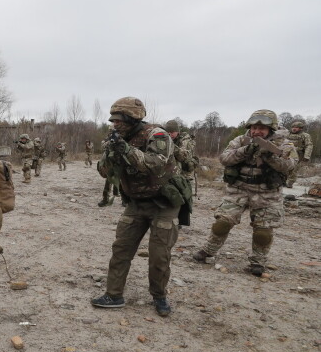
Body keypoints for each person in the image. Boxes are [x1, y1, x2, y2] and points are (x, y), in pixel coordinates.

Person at [90, 97, 179, 317]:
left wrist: (127, 151)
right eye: (113, 120)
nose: (115, 124)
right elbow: (103, 171)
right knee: (121, 248)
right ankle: (114, 294)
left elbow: (156, 165)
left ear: (133, 118)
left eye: (119, 119)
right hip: (136, 203)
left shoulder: (157, 135)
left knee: (159, 255)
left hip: (163, 203)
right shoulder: (116, 139)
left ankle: (159, 296)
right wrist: (112, 153)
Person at [193, 110, 297, 276]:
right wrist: (246, 150)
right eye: (255, 127)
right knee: (222, 223)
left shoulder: (284, 144)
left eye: (262, 128)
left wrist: (269, 155)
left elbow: (289, 166)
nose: (257, 131)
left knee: (263, 232)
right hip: (238, 189)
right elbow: (224, 158)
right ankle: (208, 251)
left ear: (271, 128)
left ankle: (258, 262)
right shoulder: (241, 140)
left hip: (267, 193)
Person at [286, 118, 313, 188]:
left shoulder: (305, 135)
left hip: (298, 154)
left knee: (294, 170)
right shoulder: (287, 134)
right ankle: (283, 181)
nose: (294, 129)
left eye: (296, 127)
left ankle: (290, 183)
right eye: (293, 127)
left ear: (300, 128)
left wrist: (307, 156)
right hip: (287, 153)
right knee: (284, 167)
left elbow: (309, 145)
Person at [97, 140, 119, 207]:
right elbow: (104, 147)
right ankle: (105, 199)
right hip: (111, 166)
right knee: (108, 182)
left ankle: (125, 201)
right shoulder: (109, 141)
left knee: (122, 183)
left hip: (120, 165)